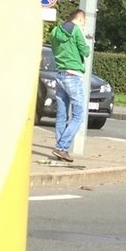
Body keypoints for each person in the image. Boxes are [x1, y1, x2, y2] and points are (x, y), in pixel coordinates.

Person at [50, 9, 90, 162]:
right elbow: (85, 51)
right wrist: (85, 39)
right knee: (78, 115)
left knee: (61, 115)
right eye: (84, 22)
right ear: (80, 19)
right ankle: (61, 147)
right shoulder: (77, 31)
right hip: (73, 75)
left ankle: (61, 149)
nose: (84, 24)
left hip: (60, 73)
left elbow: (54, 50)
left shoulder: (55, 31)